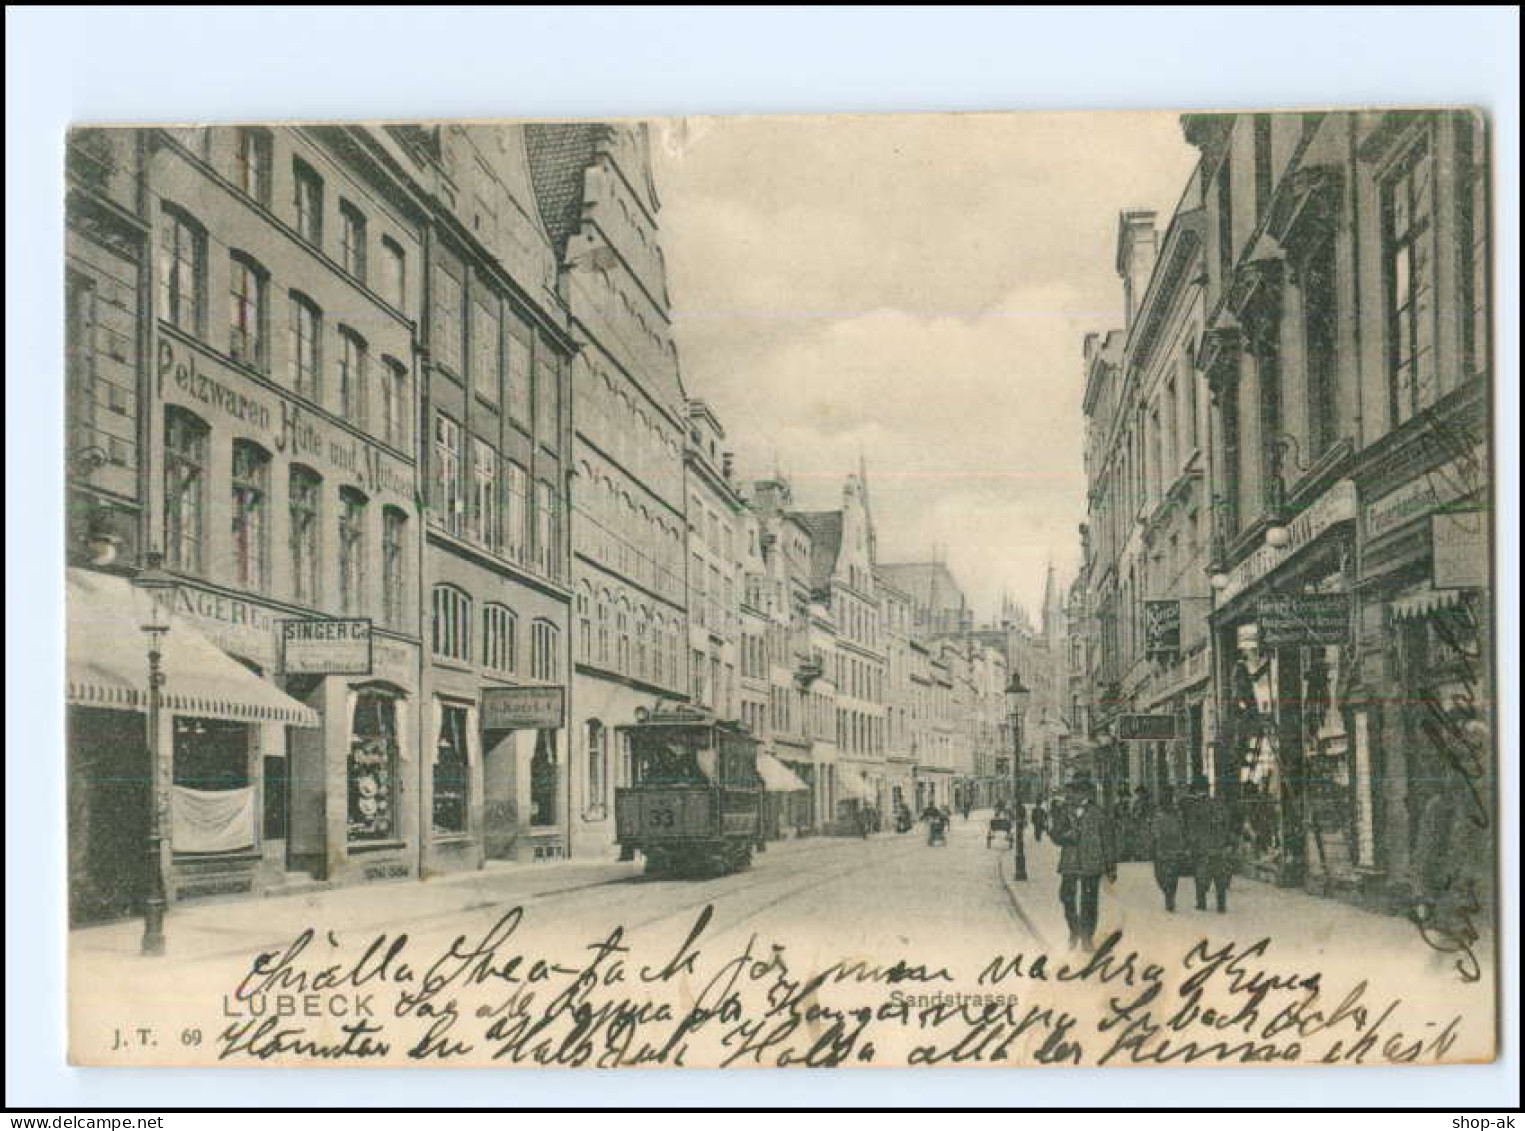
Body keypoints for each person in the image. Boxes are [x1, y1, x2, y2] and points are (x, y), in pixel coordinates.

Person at [1049, 774, 1115, 950]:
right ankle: (1074, 929)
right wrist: (1065, 837)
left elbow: (1107, 841)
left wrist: (1111, 867)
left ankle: (1087, 938)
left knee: (1090, 902)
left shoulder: (1098, 814)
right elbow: (1055, 834)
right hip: (1070, 862)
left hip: (1091, 863)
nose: (1072, 795)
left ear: (1086, 793)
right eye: (1072, 790)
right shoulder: (1064, 811)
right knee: (1066, 897)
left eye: (1077, 791)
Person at [1181, 775, 1235, 912]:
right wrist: (1226, 841)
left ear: (1195, 789)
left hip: (1202, 847)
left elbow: (1192, 827)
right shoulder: (1218, 803)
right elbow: (1227, 823)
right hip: (1218, 845)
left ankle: (1201, 903)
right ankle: (1221, 905)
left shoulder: (1194, 806)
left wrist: (1189, 844)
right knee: (1219, 876)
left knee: (1200, 875)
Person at [1149, 787, 1190, 912]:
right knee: (1169, 876)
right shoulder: (1165, 813)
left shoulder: (1173, 813)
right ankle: (1169, 894)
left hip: (1167, 848)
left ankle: (1169, 896)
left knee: (1164, 875)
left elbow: (1182, 829)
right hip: (1168, 848)